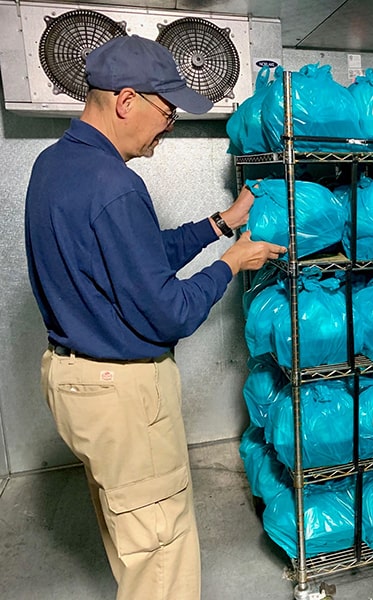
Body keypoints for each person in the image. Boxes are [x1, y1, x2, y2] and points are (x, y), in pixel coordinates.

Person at [24, 35, 285, 600]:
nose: (167, 126)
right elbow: (169, 313)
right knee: (162, 561)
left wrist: (222, 221)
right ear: (125, 101)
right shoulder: (115, 184)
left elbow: (133, 259)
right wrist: (233, 263)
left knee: (134, 544)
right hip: (123, 398)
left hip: (76, 385)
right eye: (165, 112)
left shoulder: (56, 165)